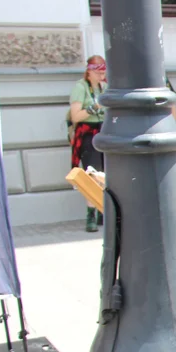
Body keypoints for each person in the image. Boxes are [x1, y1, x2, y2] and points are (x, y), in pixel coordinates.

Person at [69, 55, 107, 232]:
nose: (102, 76)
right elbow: (75, 116)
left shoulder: (104, 87)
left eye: (103, 72)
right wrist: (94, 107)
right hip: (87, 133)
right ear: (89, 71)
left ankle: (102, 211)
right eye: (98, 72)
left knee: (105, 174)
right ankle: (90, 215)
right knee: (91, 173)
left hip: (104, 131)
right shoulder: (80, 87)